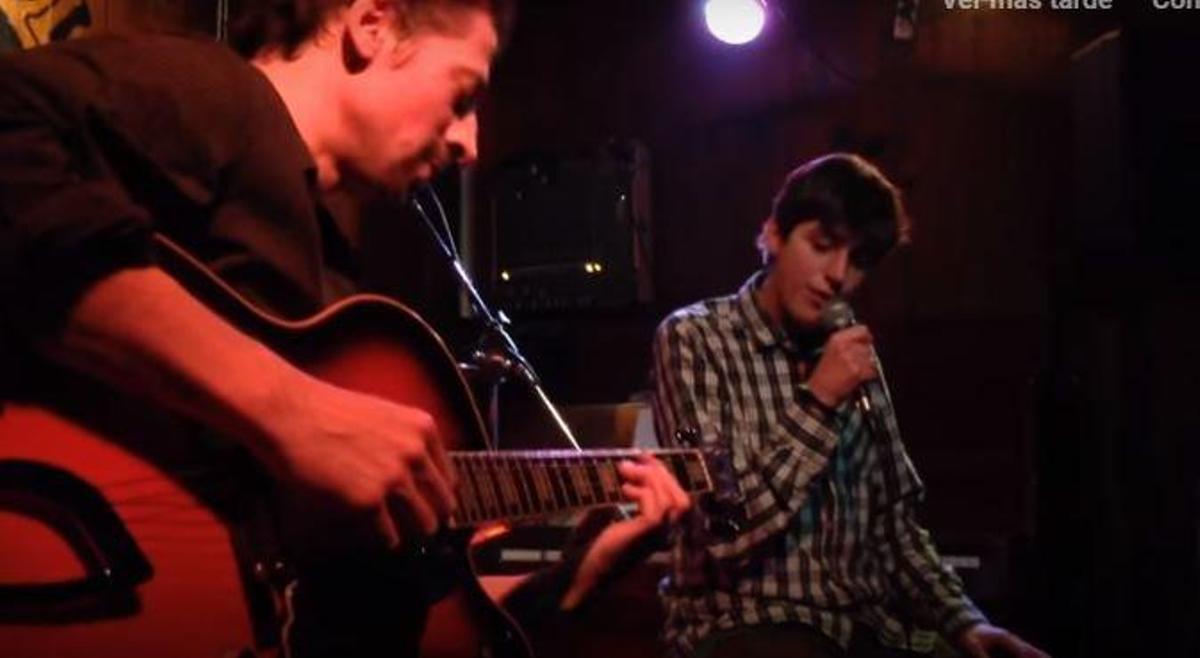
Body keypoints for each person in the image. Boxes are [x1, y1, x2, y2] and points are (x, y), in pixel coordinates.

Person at [0, 0, 687, 655]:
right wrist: (289, 410)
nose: (471, 143)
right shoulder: (223, 99)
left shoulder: (327, 281)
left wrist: (576, 570)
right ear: (373, 25)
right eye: (464, 95)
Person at [651, 153, 1048, 658]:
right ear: (774, 234)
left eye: (858, 260)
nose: (838, 274)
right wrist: (818, 401)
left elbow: (893, 526)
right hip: (746, 626)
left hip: (865, 627)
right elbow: (725, 533)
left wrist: (965, 623)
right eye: (823, 246)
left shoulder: (852, 354)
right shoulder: (694, 338)